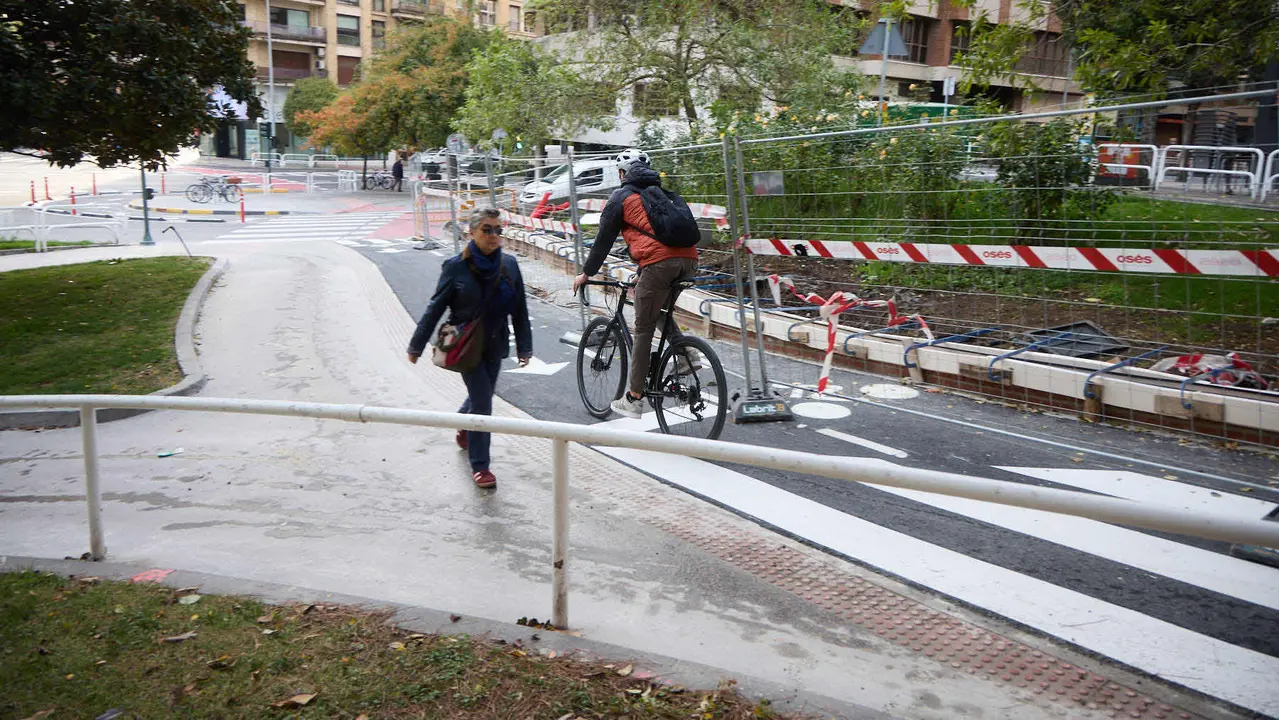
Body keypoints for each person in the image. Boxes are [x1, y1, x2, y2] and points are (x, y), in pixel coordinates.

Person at [408, 207, 533, 489]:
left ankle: (466, 425)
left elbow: (520, 310)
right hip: (466, 345)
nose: (493, 235)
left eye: (498, 230)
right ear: (472, 232)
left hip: (496, 342)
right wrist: (416, 345)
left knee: (482, 395)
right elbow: (435, 307)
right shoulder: (456, 266)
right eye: (487, 230)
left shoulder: (510, 265)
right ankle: (481, 466)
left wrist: (524, 347)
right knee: (483, 403)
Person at [572, 148, 699, 419]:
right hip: (689, 261)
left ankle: (633, 398)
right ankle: (687, 352)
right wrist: (645, 269)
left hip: (660, 264)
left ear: (622, 174)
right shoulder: (663, 195)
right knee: (659, 309)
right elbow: (658, 236)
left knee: (642, 327)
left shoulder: (621, 196)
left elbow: (604, 239)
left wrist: (586, 273)